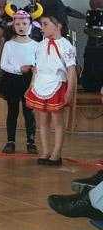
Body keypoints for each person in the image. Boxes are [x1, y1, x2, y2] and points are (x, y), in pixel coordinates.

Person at [25, 13, 77, 165]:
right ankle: (46, 150)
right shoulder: (41, 45)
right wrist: (31, 85)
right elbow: (36, 68)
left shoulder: (66, 45)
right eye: (42, 24)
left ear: (57, 26)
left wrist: (70, 91)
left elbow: (71, 70)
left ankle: (56, 152)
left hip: (56, 84)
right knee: (43, 120)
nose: (42, 27)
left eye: (46, 24)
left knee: (57, 120)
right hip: (41, 84)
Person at [0, 2, 42, 154]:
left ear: (31, 25)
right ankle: (10, 141)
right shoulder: (9, 45)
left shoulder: (36, 45)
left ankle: (31, 142)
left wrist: (34, 69)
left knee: (29, 113)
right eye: (18, 24)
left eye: (24, 23)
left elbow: (39, 63)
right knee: (12, 112)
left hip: (29, 81)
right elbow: (4, 65)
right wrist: (18, 68)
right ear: (13, 25)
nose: (21, 26)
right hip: (12, 81)